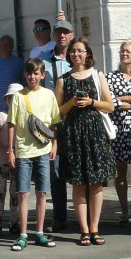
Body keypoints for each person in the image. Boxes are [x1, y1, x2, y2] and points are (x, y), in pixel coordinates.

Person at [57, 37, 116, 246]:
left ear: (87, 54)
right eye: (73, 51)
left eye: (80, 51)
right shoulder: (63, 79)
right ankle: (83, 230)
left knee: (97, 183)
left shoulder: (97, 75)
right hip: (73, 133)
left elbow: (110, 106)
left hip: (95, 133)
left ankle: (95, 228)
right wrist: (71, 103)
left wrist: (91, 102)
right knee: (79, 184)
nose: (76, 54)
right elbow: (57, 113)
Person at [6, 59, 61, 250]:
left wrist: (55, 144)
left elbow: (54, 122)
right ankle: (22, 234)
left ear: (42, 75)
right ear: (25, 74)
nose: (32, 77)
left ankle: (39, 232)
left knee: (42, 192)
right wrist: (11, 150)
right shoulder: (19, 96)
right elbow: (11, 123)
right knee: (23, 193)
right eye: (29, 73)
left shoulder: (49, 95)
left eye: (36, 73)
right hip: (23, 151)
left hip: (43, 150)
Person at [41, 17, 74, 232]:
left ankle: (87, 218)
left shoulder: (79, 59)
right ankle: (59, 218)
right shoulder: (44, 61)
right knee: (55, 171)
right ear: (54, 36)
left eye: (65, 32)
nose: (61, 36)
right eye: (58, 32)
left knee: (81, 170)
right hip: (53, 122)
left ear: (71, 35)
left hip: (76, 121)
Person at [106, 41, 131, 223]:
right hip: (117, 129)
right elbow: (109, 101)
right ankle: (124, 211)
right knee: (120, 172)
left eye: (128, 51)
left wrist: (122, 100)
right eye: (122, 51)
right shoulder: (110, 77)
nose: (124, 54)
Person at [0, 82, 23, 237]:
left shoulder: (23, 118)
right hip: (2, 160)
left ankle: (14, 222)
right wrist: (7, 150)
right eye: (11, 98)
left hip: (17, 161)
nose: (14, 101)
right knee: (1, 192)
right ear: (8, 100)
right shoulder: (2, 117)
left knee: (15, 192)